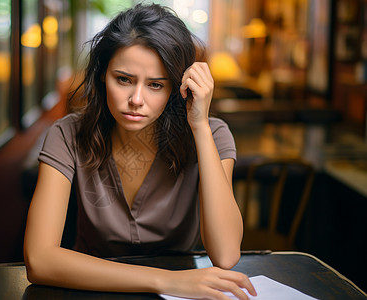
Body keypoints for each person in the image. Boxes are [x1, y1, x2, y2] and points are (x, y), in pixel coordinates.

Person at [24, 3, 257, 300]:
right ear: (101, 76)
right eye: (124, 79)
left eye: (156, 85)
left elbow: (225, 254)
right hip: (91, 290)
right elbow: (40, 260)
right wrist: (166, 281)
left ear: (176, 87)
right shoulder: (67, 134)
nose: (136, 99)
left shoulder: (213, 134)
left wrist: (199, 125)